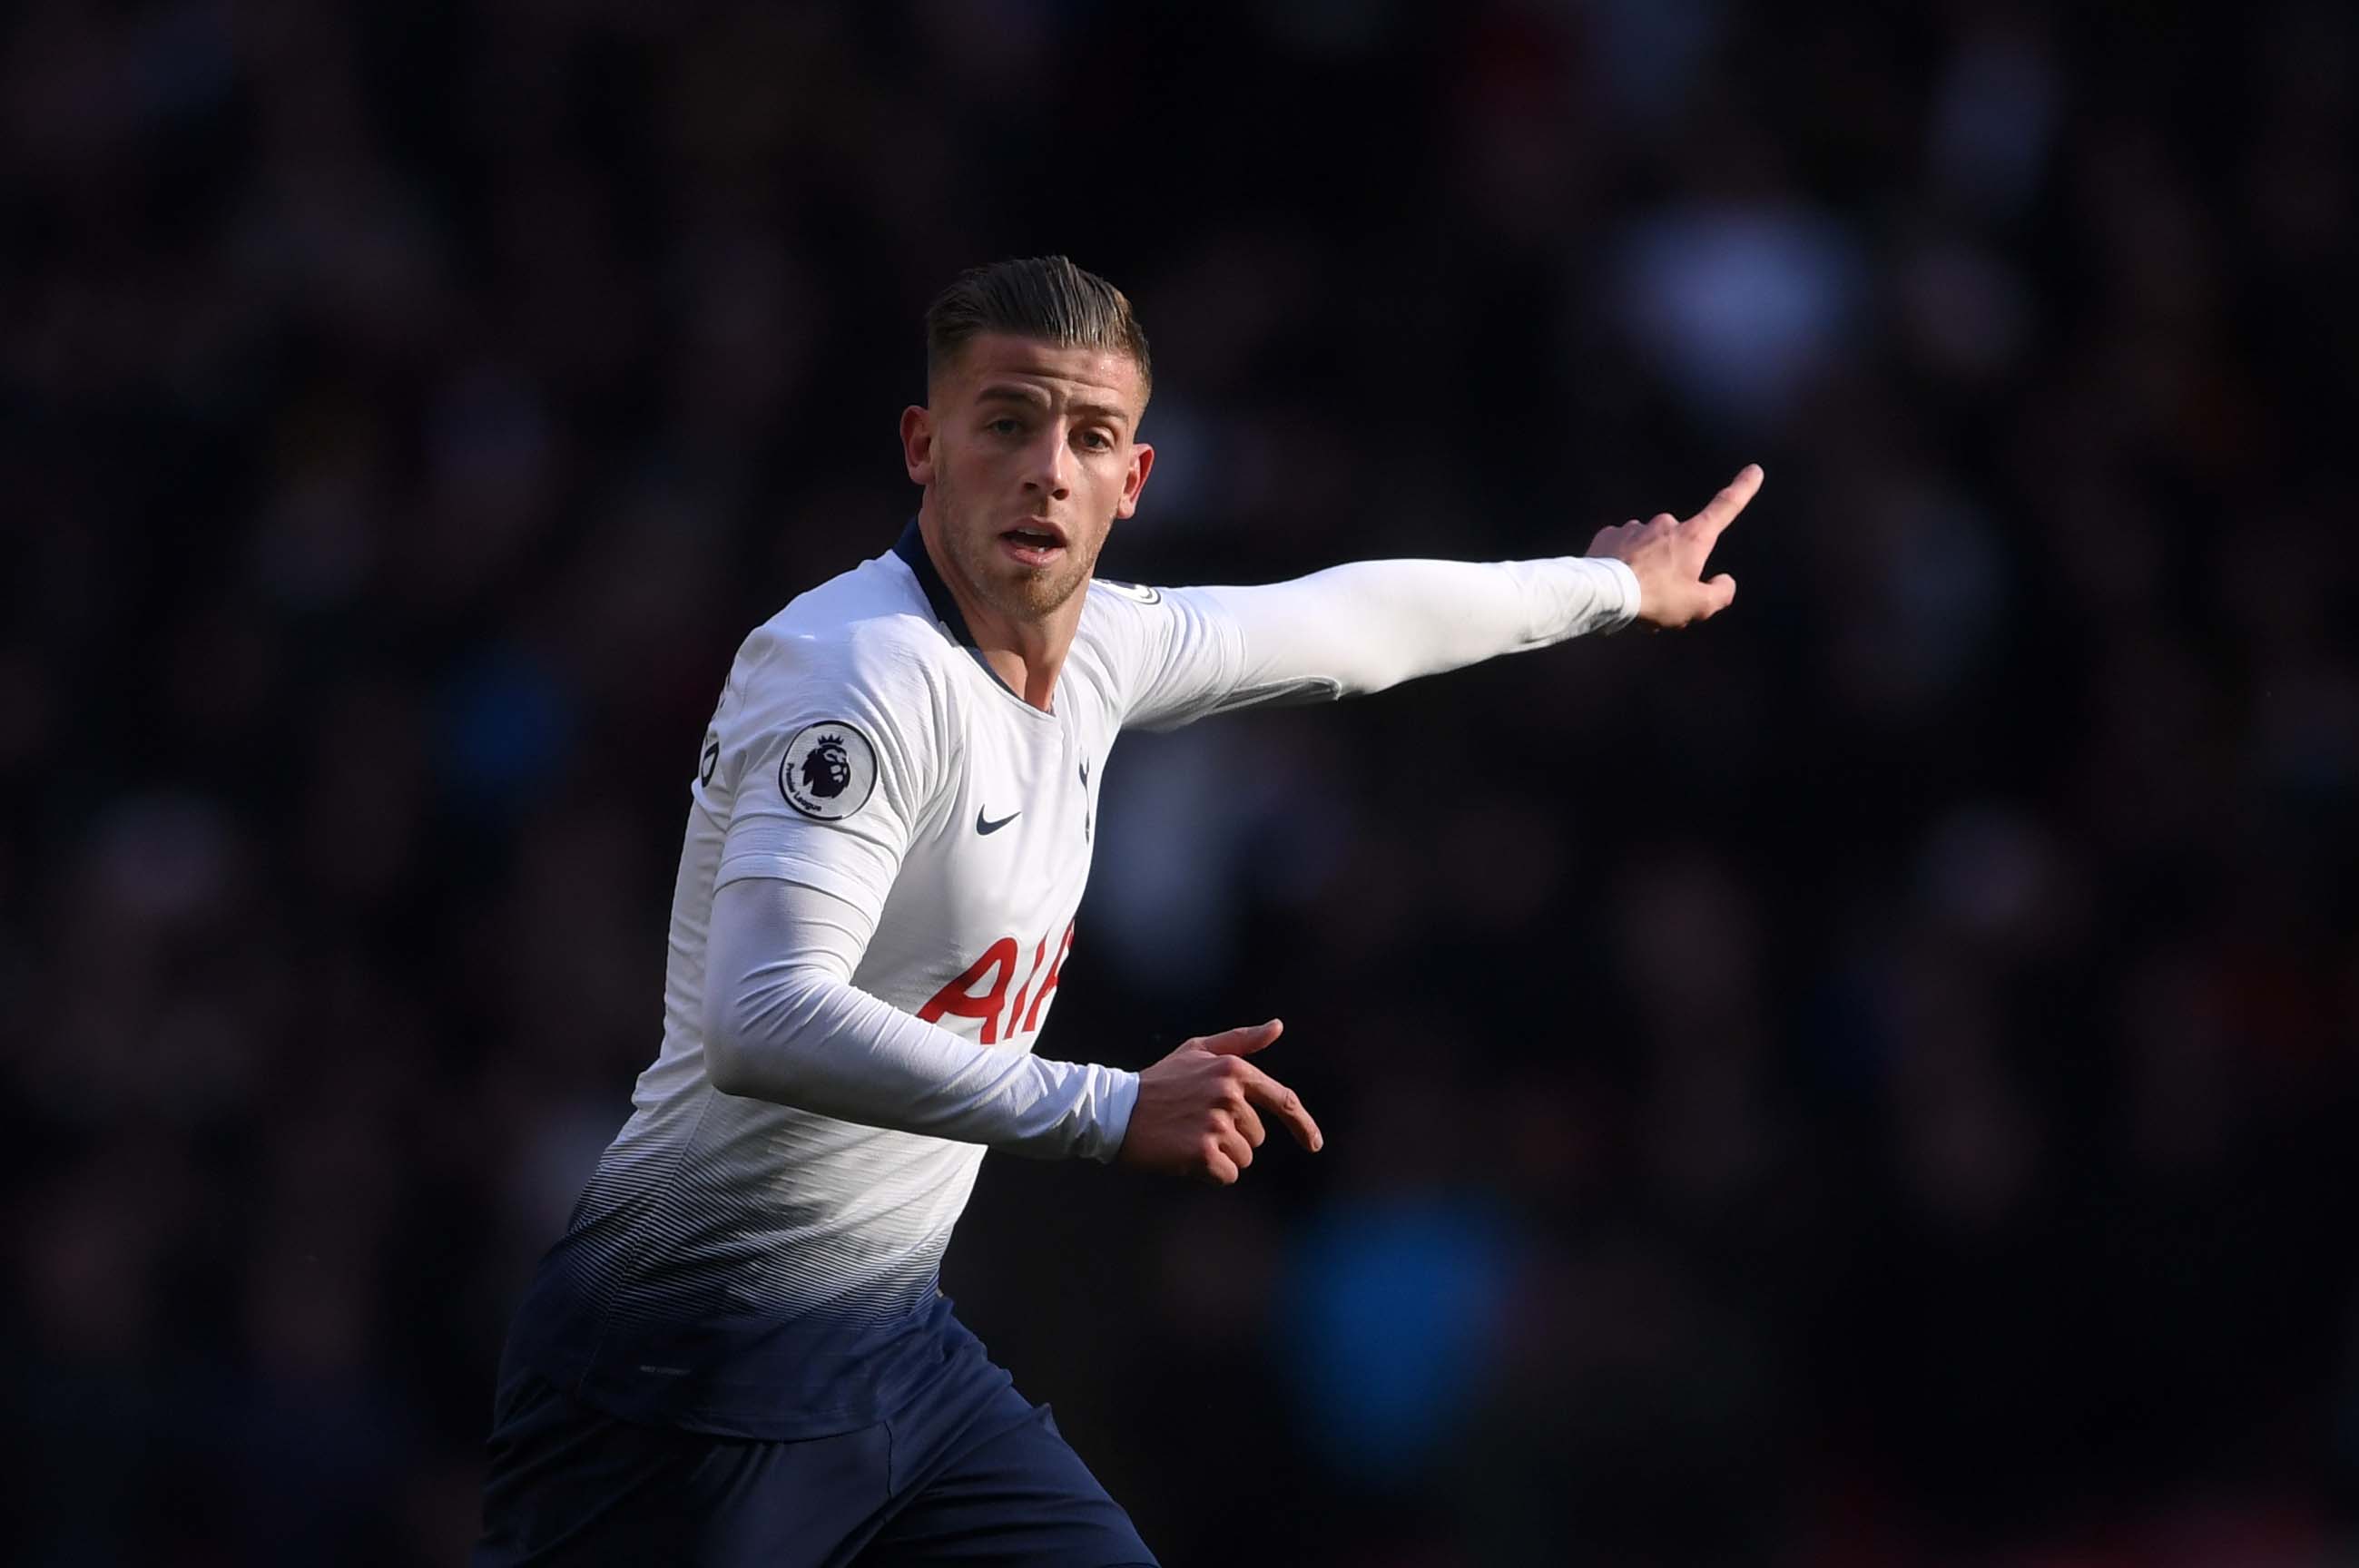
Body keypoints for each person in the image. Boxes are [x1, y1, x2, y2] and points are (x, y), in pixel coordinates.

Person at [474, 255, 1759, 1566]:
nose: (1047, 468)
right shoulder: (854, 677)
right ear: (926, 447)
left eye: (1089, 437)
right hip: (675, 1382)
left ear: (1131, 482)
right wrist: (1104, 1108)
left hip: (893, 1355)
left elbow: (1339, 626)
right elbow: (762, 1015)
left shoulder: (1100, 653)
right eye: (1007, 423)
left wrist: (1608, 592)